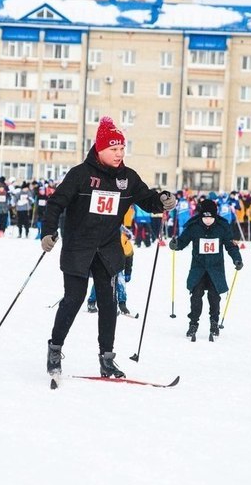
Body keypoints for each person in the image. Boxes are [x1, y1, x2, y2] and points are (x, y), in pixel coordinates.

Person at [40, 116, 176, 378]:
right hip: (79, 247)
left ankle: (107, 358)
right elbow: (55, 203)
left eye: (122, 149)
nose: (119, 154)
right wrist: (48, 231)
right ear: (100, 149)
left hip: (107, 248)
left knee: (108, 302)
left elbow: (147, 199)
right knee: (74, 299)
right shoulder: (80, 174)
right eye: (114, 149)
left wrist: (161, 200)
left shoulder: (128, 178)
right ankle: (55, 349)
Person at [169, 199, 243, 341]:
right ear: (200, 216)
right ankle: (193, 324)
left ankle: (214, 323)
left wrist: (237, 259)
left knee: (214, 298)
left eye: (210, 217)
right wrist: (175, 244)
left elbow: (230, 245)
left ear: (215, 216)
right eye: (205, 217)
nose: (207, 220)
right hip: (198, 269)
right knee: (196, 296)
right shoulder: (194, 226)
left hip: (216, 269)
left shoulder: (222, 227)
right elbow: (182, 241)